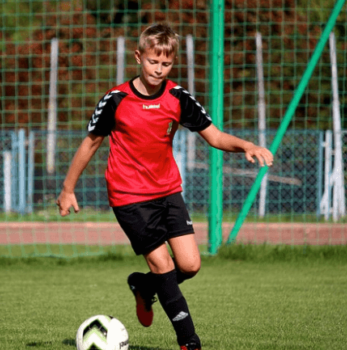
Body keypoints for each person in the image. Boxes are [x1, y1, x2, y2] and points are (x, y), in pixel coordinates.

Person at [56, 23, 274, 350]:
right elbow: (91, 143)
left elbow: (213, 136)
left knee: (190, 265)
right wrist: (68, 188)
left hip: (168, 191)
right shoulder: (116, 99)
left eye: (166, 64)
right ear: (138, 57)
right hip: (129, 197)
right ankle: (190, 343)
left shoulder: (177, 97)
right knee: (164, 265)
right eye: (152, 62)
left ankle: (144, 287)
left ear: (172, 63)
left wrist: (247, 146)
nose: (158, 70)